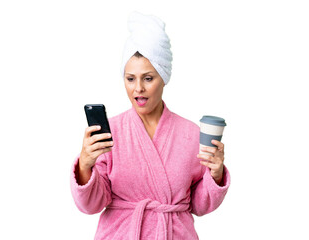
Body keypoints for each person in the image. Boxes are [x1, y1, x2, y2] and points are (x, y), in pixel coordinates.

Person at [70, 11, 230, 240]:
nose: (138, 89)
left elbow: (199, 205)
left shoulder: (192, 134)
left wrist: (215, 175)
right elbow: (91, 205)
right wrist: (85, 165)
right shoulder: (111, 132)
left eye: (148, 78)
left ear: (163, 77)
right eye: (130, 78)